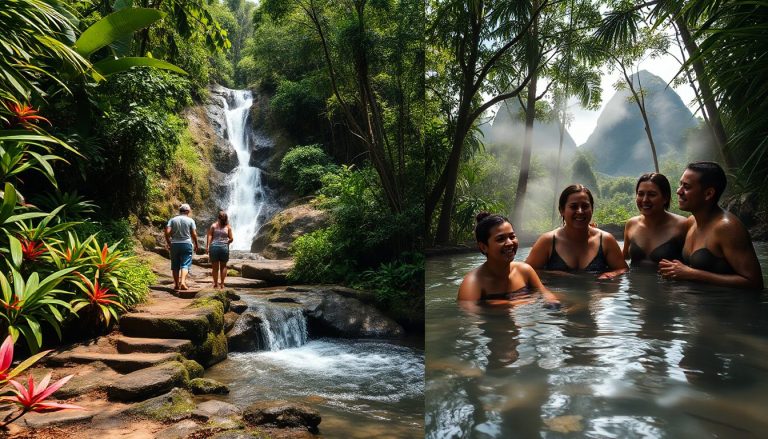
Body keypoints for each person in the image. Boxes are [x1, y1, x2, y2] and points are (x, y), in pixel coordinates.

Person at [658, 161, 763, 289]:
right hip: (696, 304)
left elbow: (754, 283)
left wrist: (692, 273)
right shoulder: (692, 221)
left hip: (725, 306)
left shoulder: (727, 227)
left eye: (686, 187)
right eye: (680, 185)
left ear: (708, 193)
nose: (679, 191)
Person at [457, 212, 560, 307]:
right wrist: (524, 301)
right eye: (500, 239)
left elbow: (545, 294)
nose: (510, 243)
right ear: (484, 247)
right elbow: (470, 317)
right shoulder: (473, 283)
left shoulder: (524, 270)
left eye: (512, 236)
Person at [526, 184, 628, 279]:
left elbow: (623, 269)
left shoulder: (605, 240)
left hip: (595, 295)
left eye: (585, 206)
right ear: (562, 210)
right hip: (556, 297)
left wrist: (611, 274)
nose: (580, 211)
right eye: (573, 206)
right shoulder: (548, 241)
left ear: (591, 209)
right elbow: (525, 272)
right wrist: (553, 274)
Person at [623, 173, 691, 266]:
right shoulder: (631, 224)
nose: (645, 200)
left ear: (665, 198)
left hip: (669, 280)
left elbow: (693, 264)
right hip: (634, 279)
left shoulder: (682, 225)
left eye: (652, 194)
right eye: (640, 194)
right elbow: (623, 258)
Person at [164, 203, 199, 290]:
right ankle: (183, 282)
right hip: (186, 244)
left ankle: (176, 285)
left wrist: (169, 242)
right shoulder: (191, 220)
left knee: (175, 265)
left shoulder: (172, 220)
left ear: (180, 211)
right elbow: (194, 234)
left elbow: (167, 232)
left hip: (174, 244)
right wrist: (196, 244)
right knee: (185, 264)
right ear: (187, 211)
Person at [206, 210, 234, 289]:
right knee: (223, 266)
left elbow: (210, 236)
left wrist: (208, 246)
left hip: (214, 247)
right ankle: (222, 284)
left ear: (218, 218)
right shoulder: (228, 227)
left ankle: (215, 283)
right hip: (223, 248)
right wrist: (227, 243)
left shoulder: (213, 226)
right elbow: (231, 239)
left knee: (215, 267)